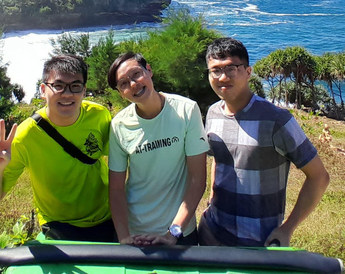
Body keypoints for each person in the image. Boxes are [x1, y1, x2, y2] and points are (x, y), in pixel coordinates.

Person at [198, 38, 330, 248]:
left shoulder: (276, 120)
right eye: (215, 70)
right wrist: (211, 198)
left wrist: (287, 228)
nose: (223, 77)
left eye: (231, 68)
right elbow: (219, 158)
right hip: (211, 232)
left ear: (248, 72)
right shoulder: (213, 113)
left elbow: (319, 177)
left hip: (258, 242)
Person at [0, 54, 115, 242]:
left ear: (84, 91)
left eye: (75, 86)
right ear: (43, 90)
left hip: (108, 217)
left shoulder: (99, 115)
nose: (67, 94)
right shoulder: (26, 136)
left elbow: (121, 159)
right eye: (58, 86)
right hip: (60, 225)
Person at [106, 52, 208, 246]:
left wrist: (173, 233)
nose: (133, 84)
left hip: (180, 232)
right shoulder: (119, 125)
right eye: (124, 84)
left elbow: (197, 180)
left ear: (149, 70)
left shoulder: (186, 110)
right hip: (134, 233)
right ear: (120, 93)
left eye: (136, 74)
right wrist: (123, 237)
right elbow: (117, 189)